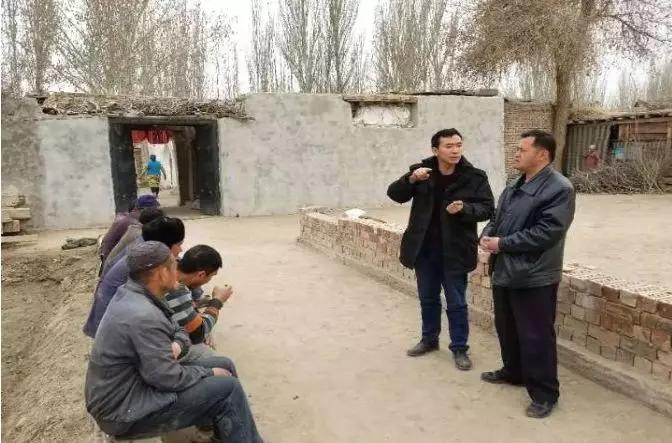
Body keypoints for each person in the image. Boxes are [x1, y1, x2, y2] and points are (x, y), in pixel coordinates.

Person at [85, 241, 263, 442]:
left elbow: (179, 331)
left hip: (135, 386)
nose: (178, 270)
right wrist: (207, 373)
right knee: (228, 388)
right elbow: (167, 378)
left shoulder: (139, 293)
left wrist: (178, 344)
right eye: (173, 265)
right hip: (123, 411)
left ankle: (225, 433)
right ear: (162, 273)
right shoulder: (143, 315)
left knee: (224, 364)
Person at [480, 130, 575, 419]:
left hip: (534, 274)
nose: (516, 153)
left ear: (542, 154)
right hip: (505, 269)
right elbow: (497, 217)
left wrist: (502, 244)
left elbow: (547, 232)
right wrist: (487, 235)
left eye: (522, 149)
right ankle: (514, 372)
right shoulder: (515, 182)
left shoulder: (560, 189)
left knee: (536, 336)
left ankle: (545, 394)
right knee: (507, 327)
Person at [387, 128, 495, 370]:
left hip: (455, 250)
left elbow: (488, 209)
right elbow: (394, 194)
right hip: (424, 250)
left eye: (458, 145)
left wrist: (465, 209)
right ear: (435, 150)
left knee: (456, 302)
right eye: (449, 146)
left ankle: (459, 348)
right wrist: (411, 179)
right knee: (428, 298)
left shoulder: (474, 177)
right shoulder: (422, 172)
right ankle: (429, 340)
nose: (455, 150)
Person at [83, 216, 185, 338]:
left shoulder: (143, 245)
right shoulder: (147, 259)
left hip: (108, 317)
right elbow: (167, 291)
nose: (181, 249)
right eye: (179, 244)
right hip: (112, 328)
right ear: (165, 244)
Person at [166, 245, 233, 362]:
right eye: (211, 276)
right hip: (162, 349)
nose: (209, 280)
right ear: (201, 274)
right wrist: (217, 301)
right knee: (220, 361)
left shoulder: (169, 268)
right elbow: (198, 334)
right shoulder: (177, 289)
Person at [98, 194, 160, 274]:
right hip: (112, 267)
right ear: (145, 210)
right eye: (155, 210)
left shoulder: (128, 217)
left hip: (109, 263)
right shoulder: (133, 225)